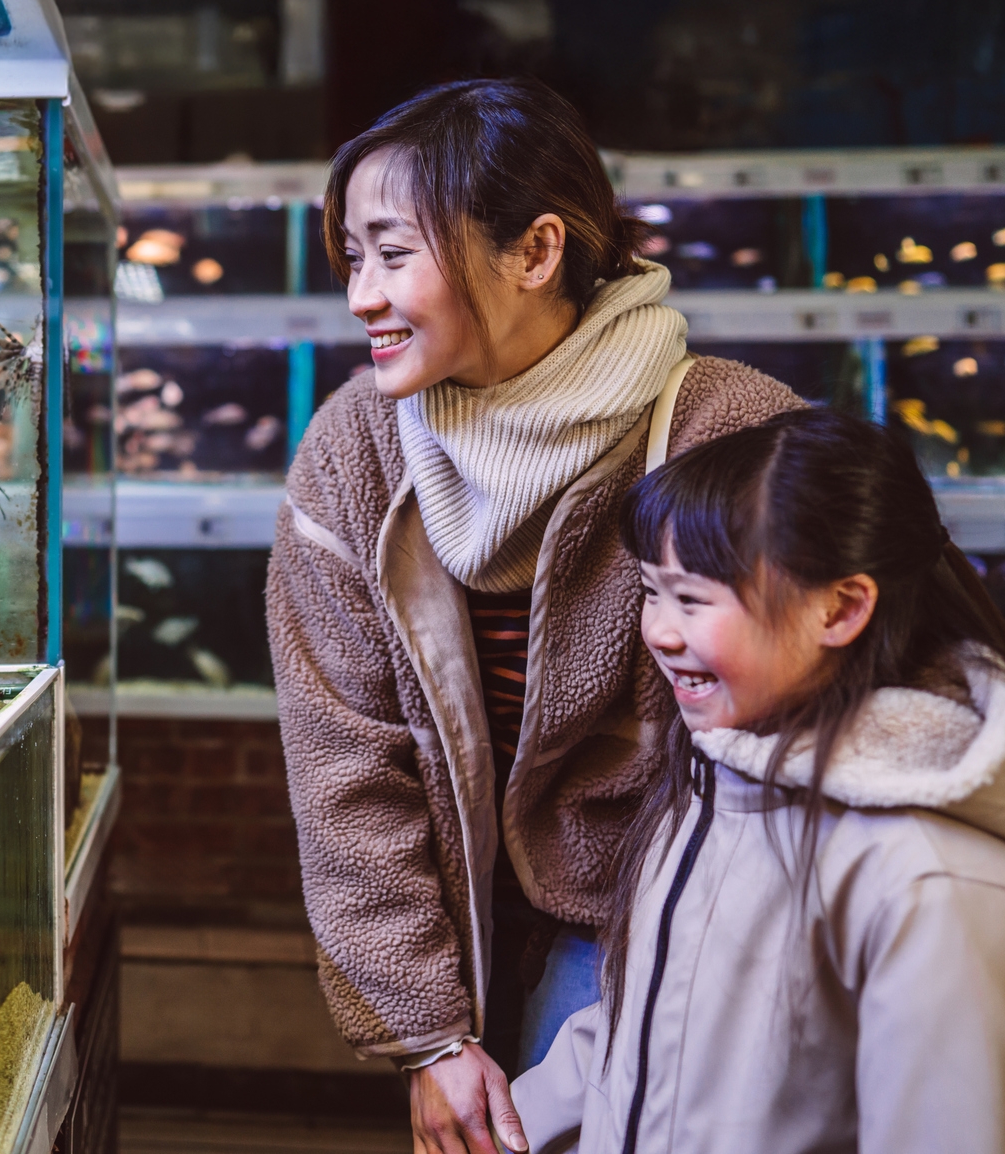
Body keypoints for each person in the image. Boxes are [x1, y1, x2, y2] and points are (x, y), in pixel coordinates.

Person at [268, 78, 801, 1154]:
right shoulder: (352, 450)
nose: (361, 296)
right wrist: (423, 1032)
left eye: (392, 252)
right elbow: (343, 770)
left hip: (661, 906)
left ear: (536, 250)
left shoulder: (731, 432)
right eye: (352, 258)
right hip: (460, 913)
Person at [511, 408, 1005, 1153]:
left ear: (840, 608)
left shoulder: (936, 888)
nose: (659, 630)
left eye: (692, 599)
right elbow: (647, 1038)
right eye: (651, 591)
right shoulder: (720, 785)